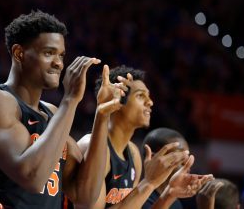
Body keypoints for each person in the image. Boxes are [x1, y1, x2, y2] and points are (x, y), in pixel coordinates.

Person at [0, 10, 124, 209]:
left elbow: (85, 198)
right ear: (19, 53)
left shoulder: (53, 113)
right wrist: (71, 99)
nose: (58, 63)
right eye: (48, 53)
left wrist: (102, 115)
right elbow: (32, 177)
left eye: (61, 55)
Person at [77, 66, 211, 209]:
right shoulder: (92, 147)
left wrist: (169, 194)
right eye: (141, 96)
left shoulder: (133, 153)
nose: (150, 102)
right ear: (116, 101)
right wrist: (149, 183)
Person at [142, 127, 214, 209]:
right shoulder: (140, 200)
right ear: (154, 159)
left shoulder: (176, 203)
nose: (187, 161)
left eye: (187, 155)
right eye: (179, 155)